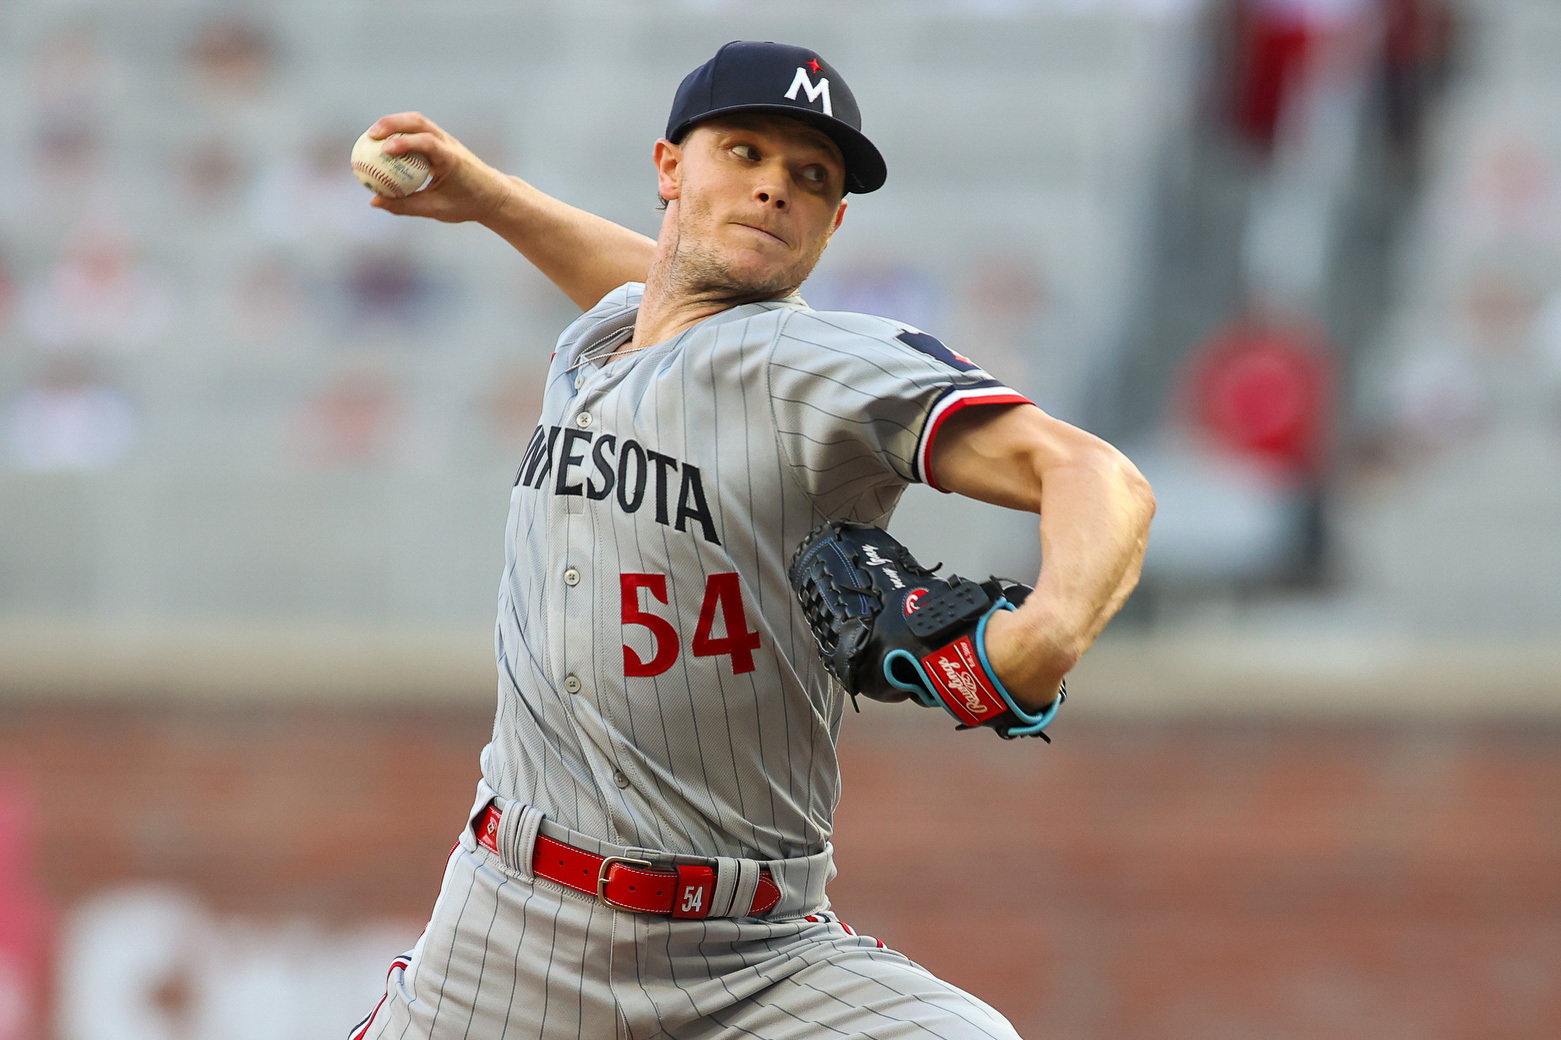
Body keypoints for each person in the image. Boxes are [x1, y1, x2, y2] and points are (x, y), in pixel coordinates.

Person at [349, 41, 1154, 1040]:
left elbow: (1096, 476)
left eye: (810, 177)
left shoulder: (819, 363)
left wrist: (1042, 636)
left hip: (754, 956)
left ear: (834, 222)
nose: (775, 188)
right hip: (506, 927)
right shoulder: (606, 334)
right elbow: (658, 292)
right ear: (668, 168)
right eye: (744, 152)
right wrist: (494, 199)